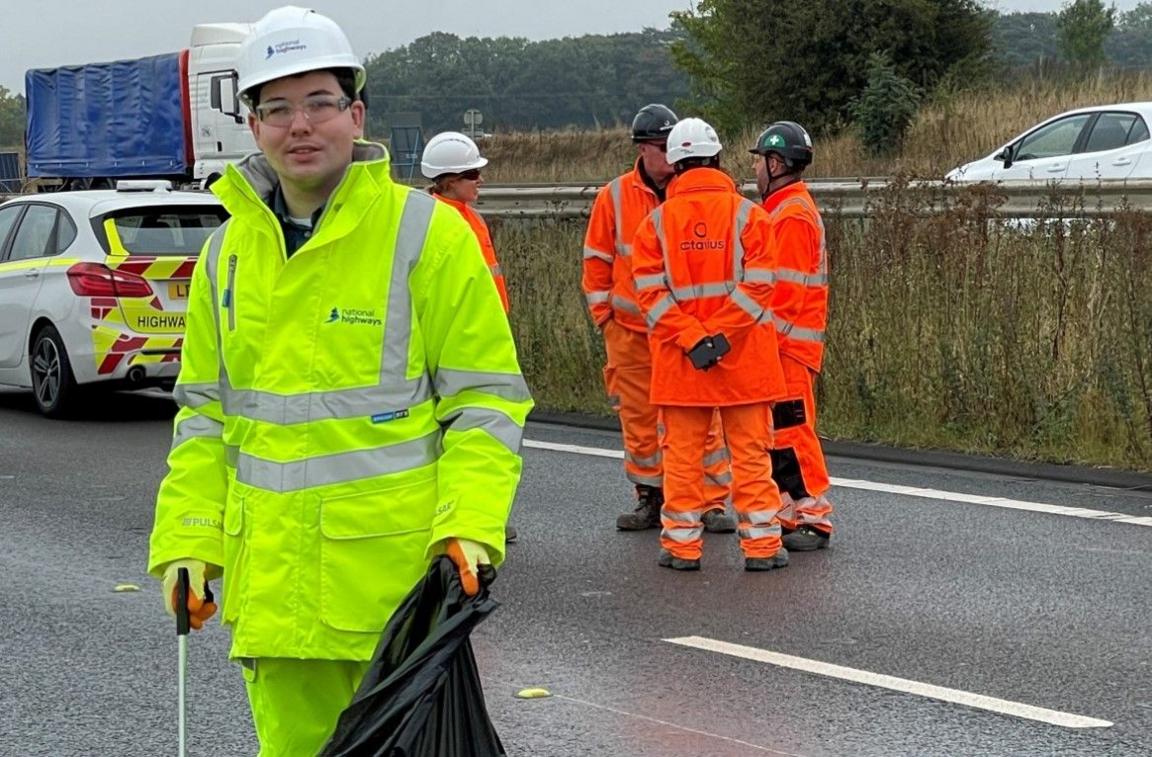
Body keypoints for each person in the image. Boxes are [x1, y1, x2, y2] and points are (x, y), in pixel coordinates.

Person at [146, 7, 532, 754]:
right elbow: (202, 416)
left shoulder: (426, 233)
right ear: (252, 124)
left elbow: (485, 400)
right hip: (273, 605)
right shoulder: (226, 254)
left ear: (355, 114)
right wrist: (189, 542)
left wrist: (470, 526)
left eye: (320, 103)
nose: (301, 125)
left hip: (390, 604)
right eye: (277, 107)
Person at [631, 117, 789, 571]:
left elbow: (650, 297)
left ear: (675, 166)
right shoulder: (750, 216)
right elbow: (760, 287)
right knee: (752, 458)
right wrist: (720, 337)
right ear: (718, 159)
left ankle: (682, 547)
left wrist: (695, 339)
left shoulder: (655, 224)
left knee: (681, 460)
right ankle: (760, 547)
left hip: (683, 365)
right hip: (744, 364)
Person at [582, 104, 735, 534]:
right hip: (630, 333)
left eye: (673, 150)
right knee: (640, 419)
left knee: (704, 420)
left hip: (684, 332)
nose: (669, 160)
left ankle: (710, 502)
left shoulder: (694, 192)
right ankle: (651, 497)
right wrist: (605, 319)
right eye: (660, 150)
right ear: (642, 150)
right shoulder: (614, 196)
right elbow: (596, 261)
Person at [422, 131, 521, 544]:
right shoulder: (435, 220)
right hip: (455, 343)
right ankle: (457, 517)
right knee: (462, 435)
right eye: (471, 174)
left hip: (482, 339)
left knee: (483, 433)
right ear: (447, 180)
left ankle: (477, 513)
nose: (479, 180)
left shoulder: (466, 216)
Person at [750, 121, 833, 551]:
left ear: (777, 163)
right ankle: (787, 511)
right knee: (776, 434)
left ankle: (813, 515)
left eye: (760, 163)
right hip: (781, 347)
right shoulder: (779, 210)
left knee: (793, 432)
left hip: (787, 349)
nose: (757, 173)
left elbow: (784, 294)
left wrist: (759, 345)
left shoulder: (792, 214)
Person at [422, 131, 510, 313]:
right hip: (462, 327)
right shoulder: (428, 220)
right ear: (451, 181)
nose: (480, 180)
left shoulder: (474, 217)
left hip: (490, 321)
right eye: (473, 174)